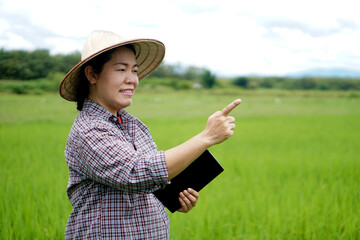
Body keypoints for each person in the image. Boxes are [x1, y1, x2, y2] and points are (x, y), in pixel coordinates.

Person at [59, 30, 241, 239]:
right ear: (92, 74)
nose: (132, 80)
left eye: (134, 71)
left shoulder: (132, 125)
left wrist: (173, 197)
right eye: (121, 69)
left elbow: (150, 182)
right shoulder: (89, 130)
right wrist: (205, 137)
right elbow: (135, 173)